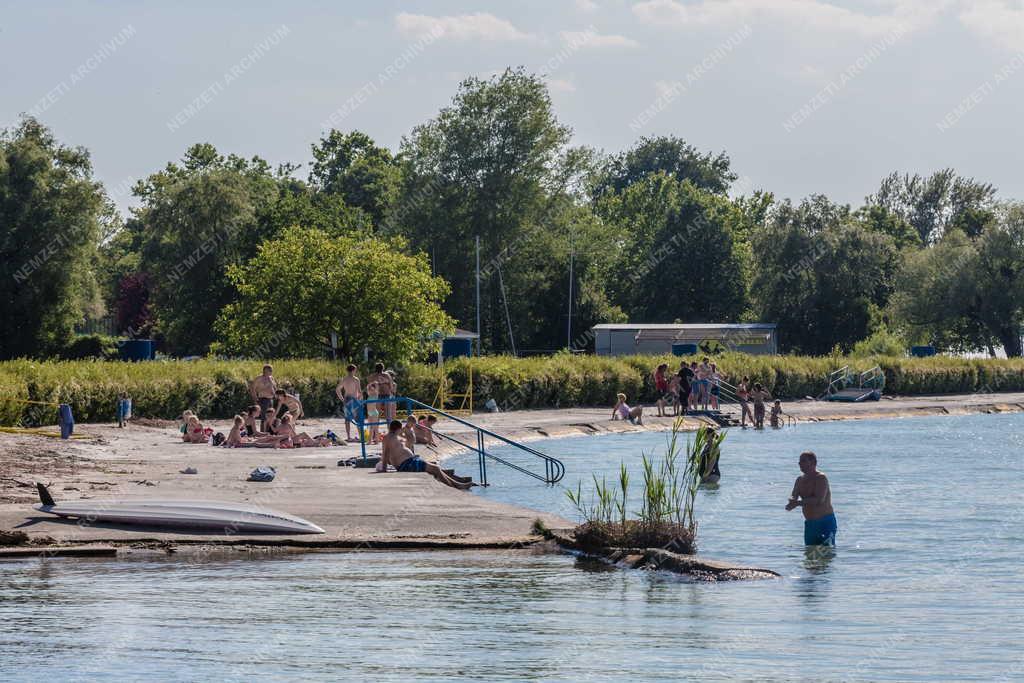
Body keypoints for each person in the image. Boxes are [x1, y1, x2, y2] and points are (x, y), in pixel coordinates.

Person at [380, 420, 472, 489]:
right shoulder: (388, 438)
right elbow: (385, 454)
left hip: (409, 462)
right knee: (436, 469)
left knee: (436, 467)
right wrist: (384, 469)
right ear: (398, 428)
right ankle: (456, 486)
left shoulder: (393, 437)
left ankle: (456, 484)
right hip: (407, 464)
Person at [786, 451, 837, 546]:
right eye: (799, 461)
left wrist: (797, 503)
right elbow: (794, 496)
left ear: (813, 462)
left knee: (825, 553)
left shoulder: (821, 478)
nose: (799, 463)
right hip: (810, 524)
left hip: (825, 522)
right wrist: (791, 502)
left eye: (803, 461)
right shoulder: (799, 480)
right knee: (810, 556)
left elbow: (819, 500)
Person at [335, 364, 363, 442]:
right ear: (354, 370)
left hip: (347, 400)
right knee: (358, 418)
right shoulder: (356, 379)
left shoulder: (344, 379)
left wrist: (342, 399)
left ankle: (348, 436)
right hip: (354, 400)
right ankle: (361, 436)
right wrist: (361, 401)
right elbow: (360, 392)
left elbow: (337, 389)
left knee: (347, 419)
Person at [249, 365, 277, 431]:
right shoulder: (259, 378)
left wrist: (271, 382)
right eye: (270, 370)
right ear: (265, 370)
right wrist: (255, 398)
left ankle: (269, 431)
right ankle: (263, 432)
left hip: (270, 399)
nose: (271, 372)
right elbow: (252, 388)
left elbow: (275, 388)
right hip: (262, 399)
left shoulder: (271, 378)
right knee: (264, 417)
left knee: (271, 417)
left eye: (271, 370)